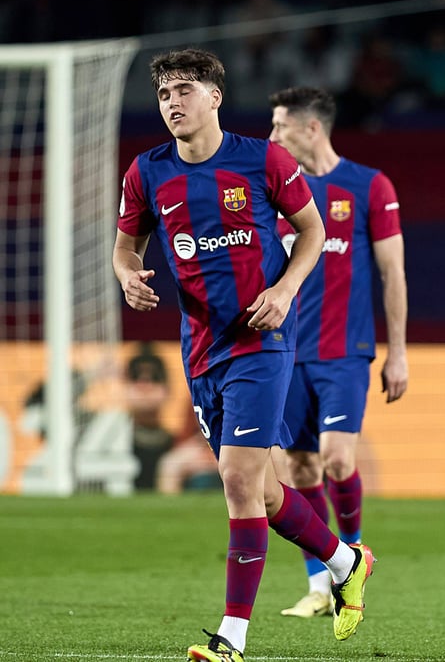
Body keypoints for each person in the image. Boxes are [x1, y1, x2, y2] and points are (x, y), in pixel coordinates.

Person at [114, 48, 375, 662]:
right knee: (262, 489)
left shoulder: (264, 159)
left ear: (215, 98)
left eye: (183, 90)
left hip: (261, 340)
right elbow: (126, 248)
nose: (172, 103)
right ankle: (346, 560)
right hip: (202, 349)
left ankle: (231, 638)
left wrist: (285, 290)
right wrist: (127, 276)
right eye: (164, 95)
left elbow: (312, 231)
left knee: (235, 479)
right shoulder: (147, 173)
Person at [267, 85, 408, 618]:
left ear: (311, 128)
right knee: (299, 469)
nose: (272, 135)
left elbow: (393, 273)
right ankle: (322, 585)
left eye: (280, 125)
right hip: (285, 351)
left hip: (345, 351)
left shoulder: (368, 185)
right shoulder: (276, 189)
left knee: (337, 457)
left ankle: (354, 558)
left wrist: (398, 352)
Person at [124, 343, 175, 491]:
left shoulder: (174, 442)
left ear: (167, 389)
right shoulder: (117, 443)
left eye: (154, 378)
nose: (145, 385)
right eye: (136, 377)